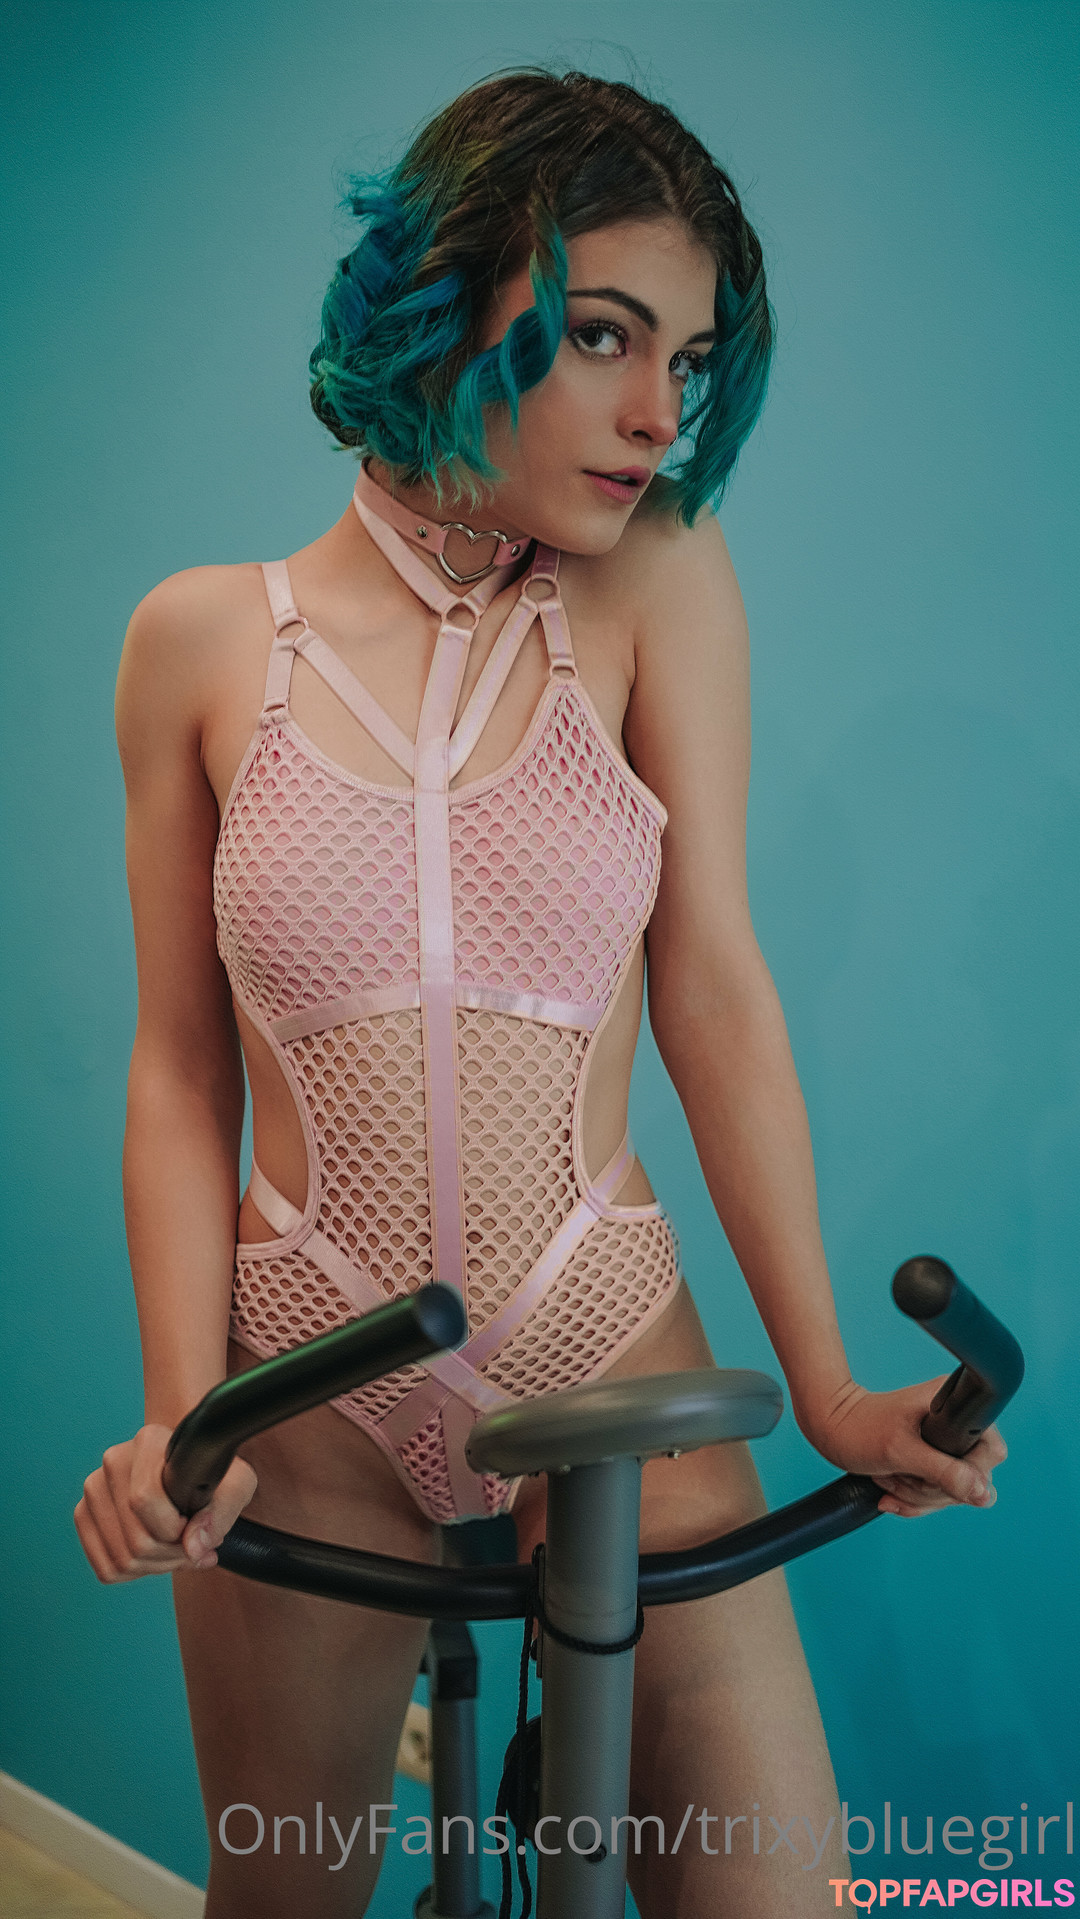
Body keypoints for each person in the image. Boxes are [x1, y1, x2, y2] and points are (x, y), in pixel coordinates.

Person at [73, 69, 1005, 1919]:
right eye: (602, 336)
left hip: (605, 1340)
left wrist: (827, 1387)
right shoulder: (198, 642)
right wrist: (183, 1414)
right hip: (308, 1379)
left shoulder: (658, 583)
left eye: (691, 359)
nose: (661, 414)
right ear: (446, 297)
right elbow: (180, 1069)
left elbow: (713, 990)